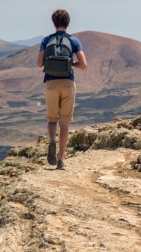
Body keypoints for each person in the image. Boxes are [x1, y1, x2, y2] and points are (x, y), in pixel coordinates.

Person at [36, 9, 87, 170]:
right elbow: (84, 64)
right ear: (68, 23)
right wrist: (71, 64)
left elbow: (39, 64)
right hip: (67, 83)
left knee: (52, 119)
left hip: (51, 83)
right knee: (64, 123)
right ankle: (61, 160)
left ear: (53, 23)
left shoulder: (46, 40)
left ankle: (52, 140)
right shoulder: (74, 41)